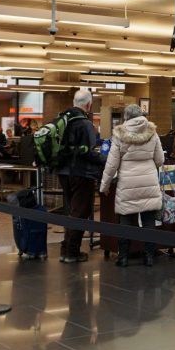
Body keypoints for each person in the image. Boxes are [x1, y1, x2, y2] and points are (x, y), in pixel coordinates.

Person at [99, 103, 164, 267]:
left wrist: (104, 186)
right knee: (149, 219)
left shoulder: (119, 134)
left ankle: (124, 258)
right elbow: (160, 160)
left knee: (126, 219)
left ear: (126, 117)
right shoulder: (152, 132)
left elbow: (111, 165)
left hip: (127, 182)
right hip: (149, 180)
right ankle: (149, 256)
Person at [56, 89, 104, 263]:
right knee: (80, 212)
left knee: (71, 211)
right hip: (81, 173)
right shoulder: (84, 124)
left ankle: (65, 248)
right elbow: (88, 153)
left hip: (63, 172)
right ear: (89, 104)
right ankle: (71, 252)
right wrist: (105, 159)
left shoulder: (63, 119)